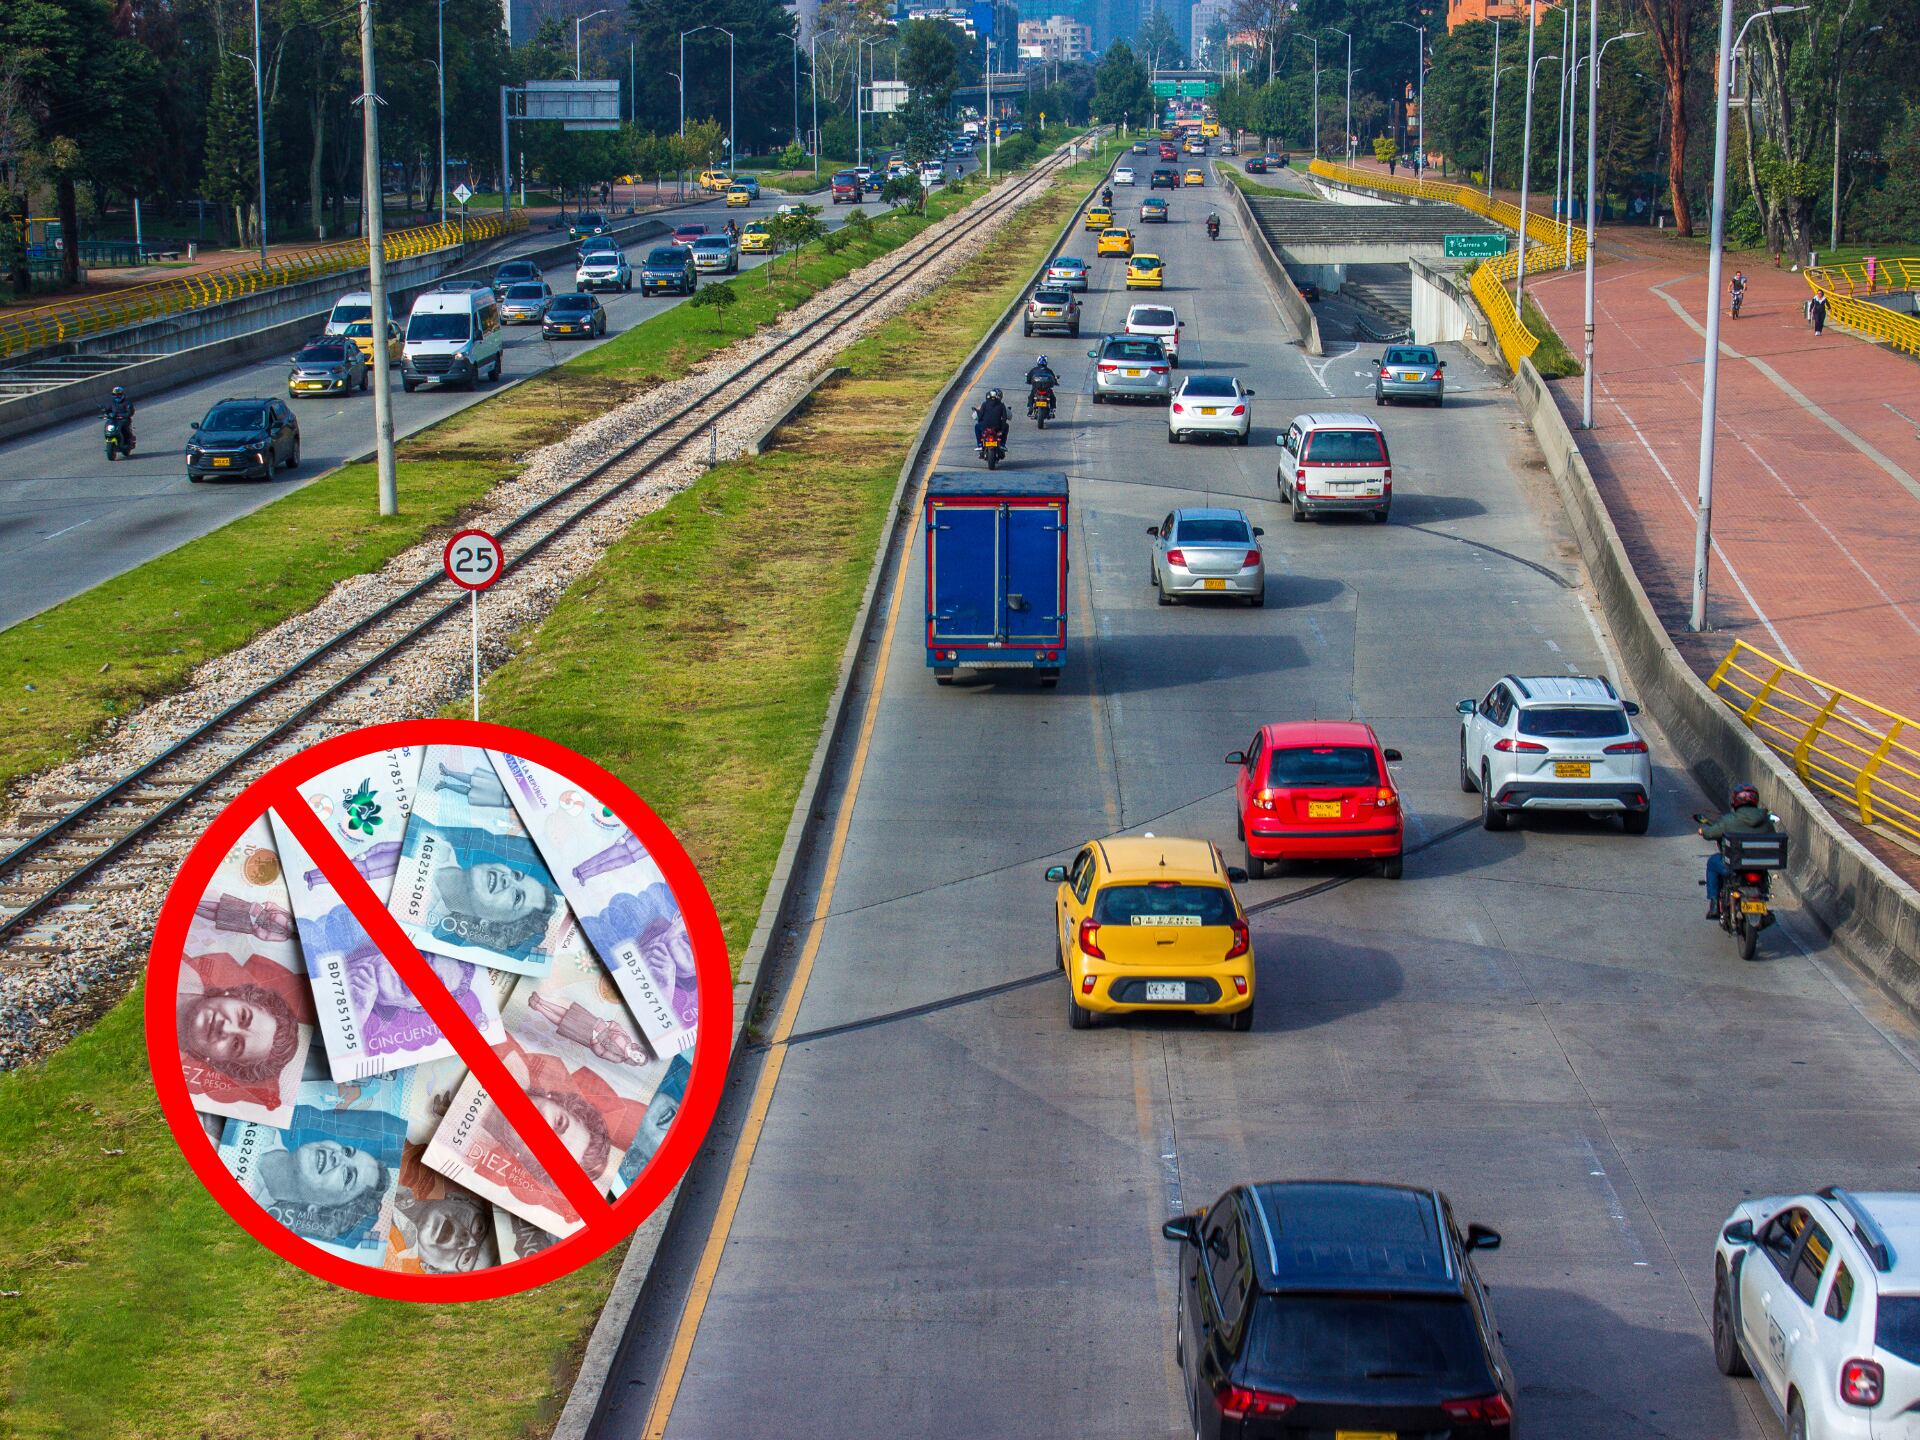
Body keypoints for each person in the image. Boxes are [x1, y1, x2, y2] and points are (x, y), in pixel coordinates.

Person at [1698, 783, 1775, 920]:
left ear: (1735, 801)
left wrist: (1703, 831)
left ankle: (1715, 905)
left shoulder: (1729, 820)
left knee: (1712, 863)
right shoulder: (1766, 820)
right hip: (1759, 867)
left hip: (1734, 866)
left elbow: (1710, 834)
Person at [973, 386, 1010, 454]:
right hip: (997, 427)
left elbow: (979, 416)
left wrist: (977, 411)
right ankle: (1002, 444)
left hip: (985, 427)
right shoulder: (1001, 405)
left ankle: (980, 444)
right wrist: (1001, 430)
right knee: (1006, 426)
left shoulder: (984, 404)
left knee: (977, 426)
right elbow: (1005, 418)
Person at [105, 384, 135, 448]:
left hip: (124, 420)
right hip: (114, 420)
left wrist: (125, 415)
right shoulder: (111, 403)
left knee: (124, 428)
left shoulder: (127, 403)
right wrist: (105, 412)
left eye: (119, 395)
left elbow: (130, 412)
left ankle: (128, 440)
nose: (117, 396)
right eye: (115, 395)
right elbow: (107, 410)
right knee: (108, 425)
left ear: (122, 394)